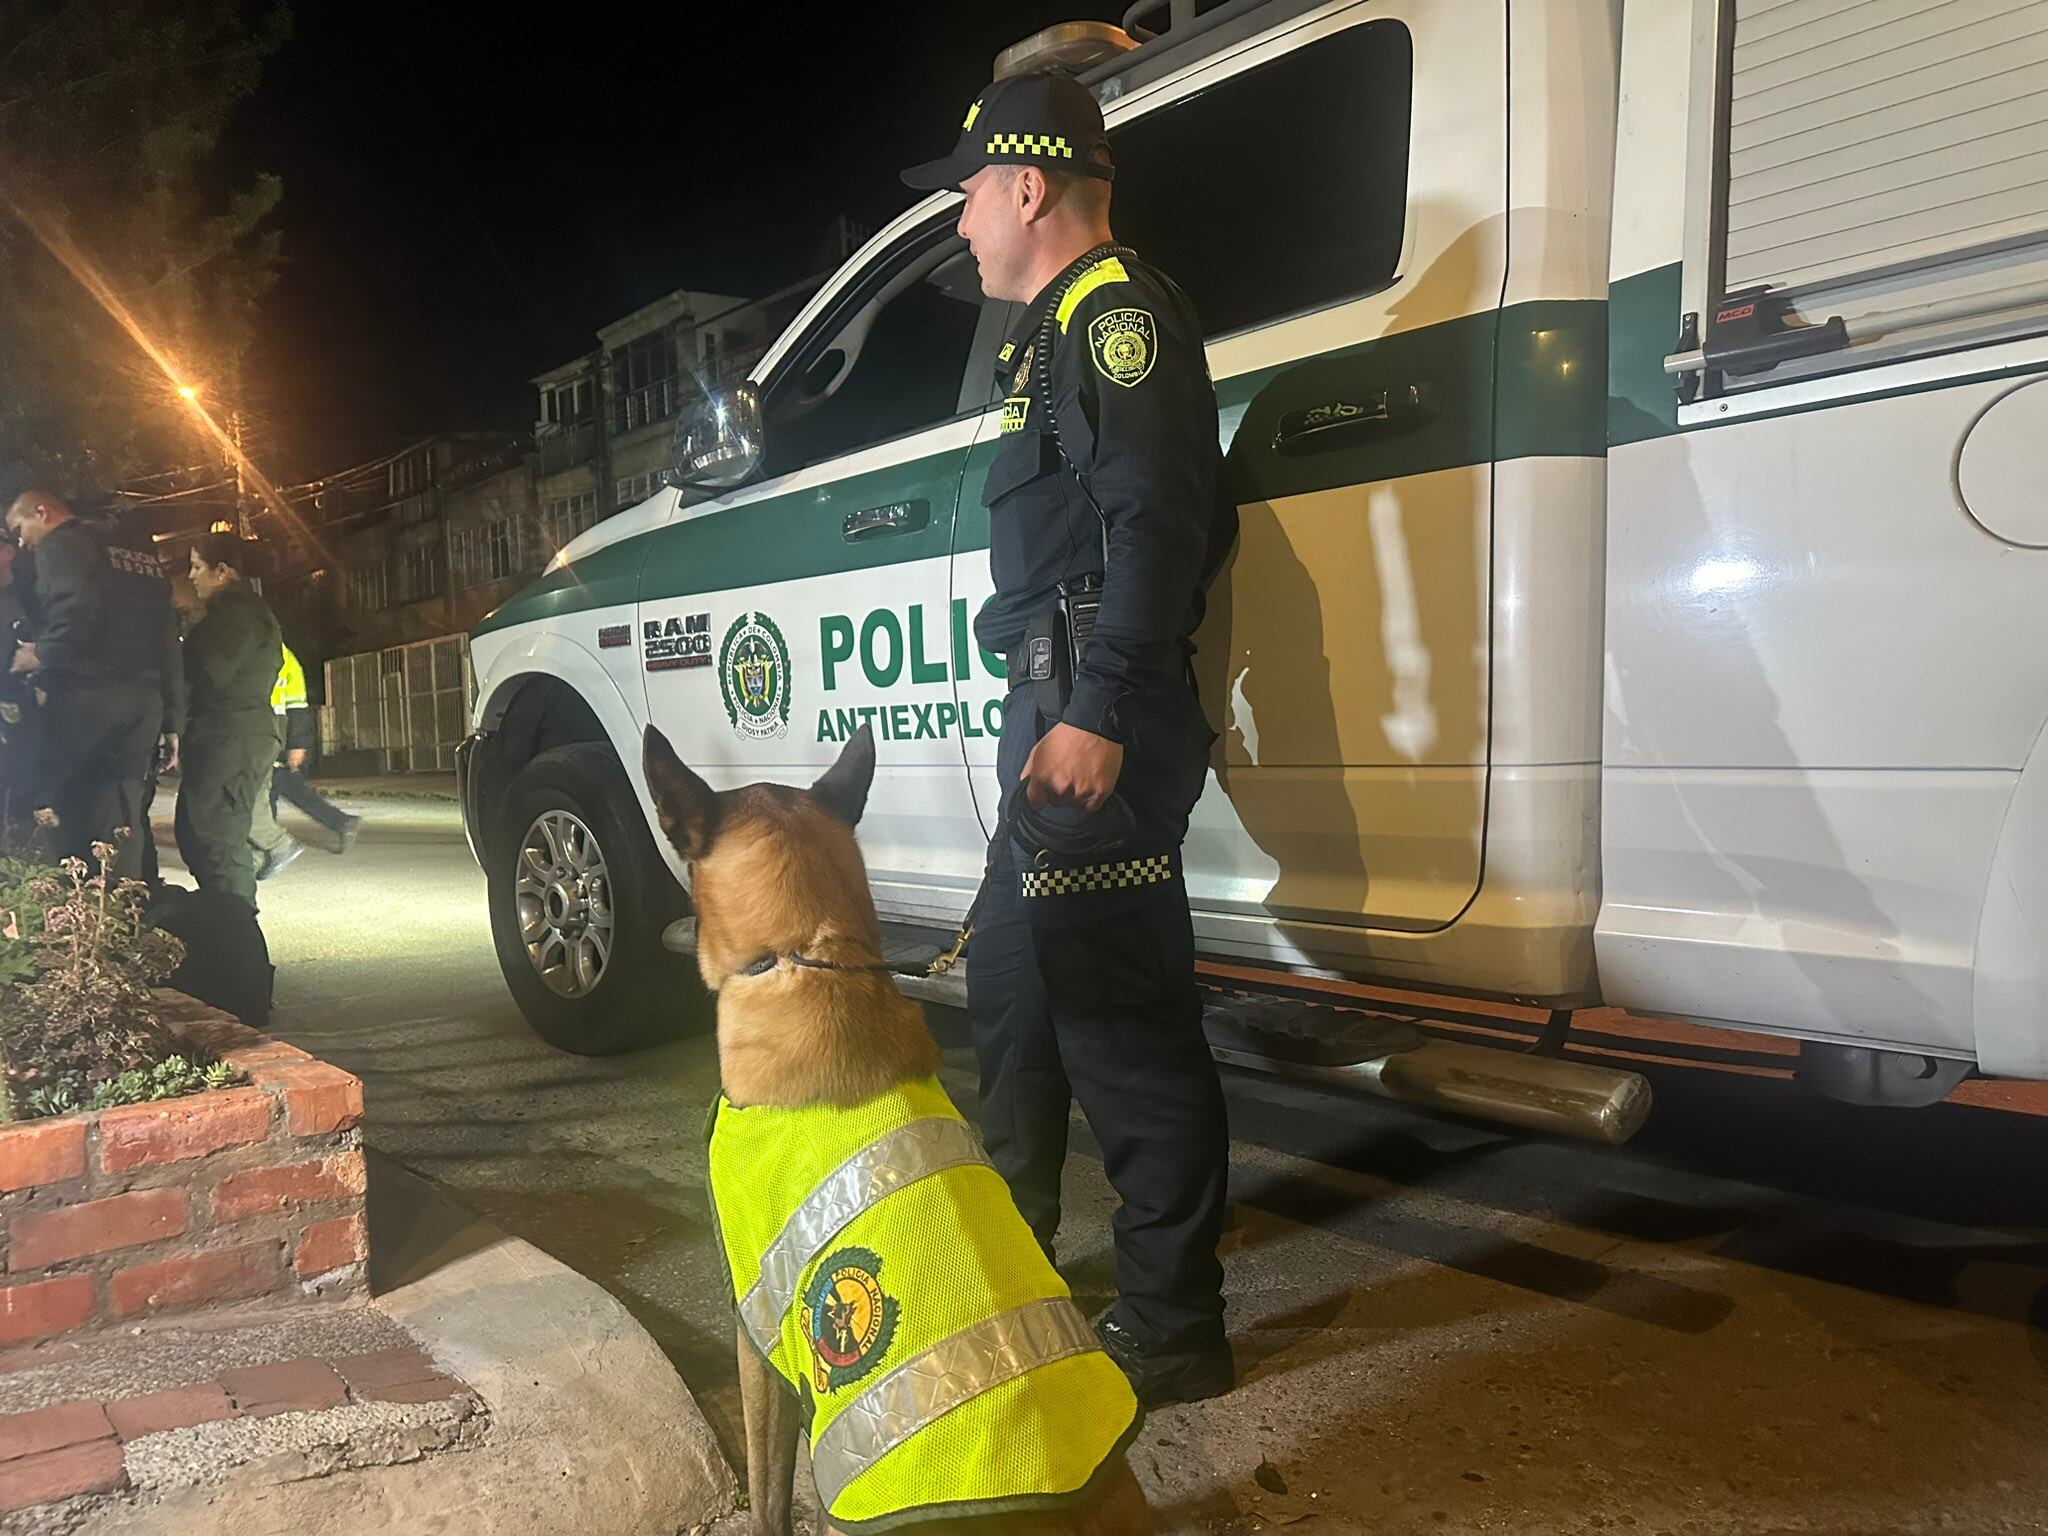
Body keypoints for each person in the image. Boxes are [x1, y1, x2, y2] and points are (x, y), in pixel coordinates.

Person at [899, 73, 1240, 1406]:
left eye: (970, 194)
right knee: (1016, 1000)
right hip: (1054, 707)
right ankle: (1017, 1264)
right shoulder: (1054, 333)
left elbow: (1158, 522)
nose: (963, 222)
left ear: (1027, 185)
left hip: (1095, 714)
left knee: (1124, 1032)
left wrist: (1099, 710)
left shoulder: (1116, 320)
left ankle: (1174, 1328)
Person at [4, 491, 182, 876]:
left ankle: (71, 917)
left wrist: (42, 654)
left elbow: (76, 606)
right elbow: (167, 637)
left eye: (20, 529)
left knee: (54, 804)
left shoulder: (62, 543)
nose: (21, 542)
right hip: (144, 703)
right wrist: (172, 719)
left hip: (88, 695)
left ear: (42, 511)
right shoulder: (137, 555)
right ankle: (123, 914)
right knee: (120, 818)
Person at [176, 533, 281, 909]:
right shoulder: (239, 611)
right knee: (203, 838)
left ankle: (237, 942)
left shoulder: (236, 615)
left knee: (217, 844)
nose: (190, 576)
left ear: (222, 571)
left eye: (197, 566)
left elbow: (209, 672)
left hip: (229, 737)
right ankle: (227, 933)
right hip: (231, 735)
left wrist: (177, 655)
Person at [248, 642, 360, 878]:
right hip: (271, 730)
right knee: (281, 786)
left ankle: (267, 849)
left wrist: (298, 743)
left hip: (275, 731)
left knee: (268, 790)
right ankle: (340, 822)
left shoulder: (281, 656)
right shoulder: (269, 651)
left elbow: (298, 704)